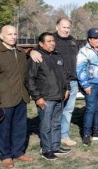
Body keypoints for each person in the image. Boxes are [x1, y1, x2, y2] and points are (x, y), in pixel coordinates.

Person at [0, 25, 34, 168]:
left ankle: (18, 152)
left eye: (15, 34)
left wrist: (32, 52)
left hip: (21, 96)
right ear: (1, 36)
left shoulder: (20, 52)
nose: (13, 36)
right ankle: (6, 155)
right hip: (4, 98)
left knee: (20, 127)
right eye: (9, 34)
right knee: (4, 128)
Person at [30, 18, 79, 147]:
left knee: (67, 111)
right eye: (64, 27)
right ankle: (48, 141)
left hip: (71, 82)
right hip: (55, 84)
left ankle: (64, 136)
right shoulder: (51, 40)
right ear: (57, 27)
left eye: (68, 27)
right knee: (51, 113)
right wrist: (32, 51)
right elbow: (37, 50)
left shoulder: (73, 41)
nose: (66, 30)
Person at [26, 32, 71, 160]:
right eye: (49, 41)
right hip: (46, 98)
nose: (52, 43)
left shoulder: (57, 56)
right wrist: (37, 97)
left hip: (59, 96)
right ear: (41, 43)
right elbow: (30, 79)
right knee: (46, 125)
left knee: (56, 123)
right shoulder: (37, 58)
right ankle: (46, 149)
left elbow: (64, 74)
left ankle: (56, 146)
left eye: (53, 41)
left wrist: (67, 88)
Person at [76, 28, 98, 145]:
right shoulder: (84, 51)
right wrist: (85, 85)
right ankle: (86, 134)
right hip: (91, 85)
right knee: (90, 109)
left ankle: (97, 131)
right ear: (89, 39)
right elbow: (80, 69)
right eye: (95, 38)